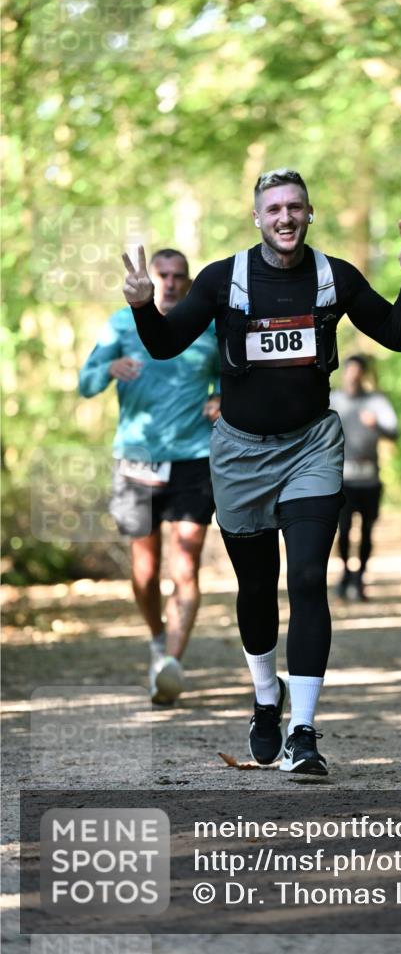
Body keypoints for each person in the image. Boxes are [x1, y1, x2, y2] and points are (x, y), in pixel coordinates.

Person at [121, 169, 401, 774]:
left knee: (309, 578)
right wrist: (141, 307)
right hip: (239, 454)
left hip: (313, 446)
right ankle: (267, 697)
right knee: (257, 588)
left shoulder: (335, 277)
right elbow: (164, 344)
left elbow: (398, 335)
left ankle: (304, 732)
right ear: (258, 218)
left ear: (309, 213)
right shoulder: (223, 279)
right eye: (274, 209)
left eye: (295, 207)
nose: (285, 217)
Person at [79, 248, 220, 706]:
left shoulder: (206, 326)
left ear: (189, 282)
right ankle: (158, 641)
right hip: (137, 458)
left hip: (194, 457)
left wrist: (222, 397)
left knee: (186, 564)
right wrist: (108, 368)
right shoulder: (122, 324)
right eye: (163, 275)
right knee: (144, 571)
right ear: (151, 278)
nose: (171, 283)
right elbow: (85, 383)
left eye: (179, 276)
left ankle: (171, 665)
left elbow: (234, 374)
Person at [330, 354, 398, 601]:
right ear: (345, 372)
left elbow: (394, 432)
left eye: (358, 371)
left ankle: (360, 577)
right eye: (350, 370)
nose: (354, 376)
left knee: (367, 531)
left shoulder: (376, 402)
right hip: (343, 479)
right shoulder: (333, 400)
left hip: (370, 479)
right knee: (344, 529)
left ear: (364, 374)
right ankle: (346, 574)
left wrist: (375, 425)